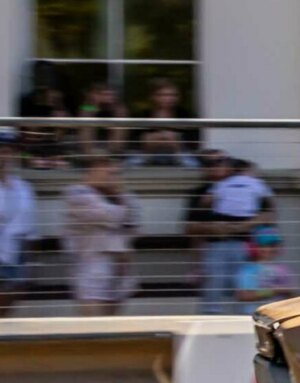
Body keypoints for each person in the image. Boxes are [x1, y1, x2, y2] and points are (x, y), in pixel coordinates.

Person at [188, 151, 276, 313]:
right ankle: (212, 315)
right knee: (214, 284)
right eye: (210, 163)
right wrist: (213, 228)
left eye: (221, 161)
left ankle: (244, 316)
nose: (217, 166)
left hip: (248, 246)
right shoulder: (200, 192)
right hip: (215, 246)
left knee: (245, 283)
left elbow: (269, 215)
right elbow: (190, 227)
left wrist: (244, 225)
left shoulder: (254, 186)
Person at [62, 153, 140, 316]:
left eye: (115, 172)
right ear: (90, 171)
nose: (111, 176)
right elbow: (107, 215)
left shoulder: (124, 196)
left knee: (113, 325)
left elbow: (134, 227)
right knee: (94, 324)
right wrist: (120, 202)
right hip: (91, 270)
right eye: (105, 170)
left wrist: (119, 199)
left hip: (119, 268)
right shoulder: (77, 193)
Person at [0, 133, 38, 319]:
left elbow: (29, 227)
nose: (8, 156)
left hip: (15, 257)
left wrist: (29, 262)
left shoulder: (23, 187)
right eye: (3, 151)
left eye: (11, 152)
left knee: (4, 311)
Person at [234, 226, 296, 306]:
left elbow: (292, 295)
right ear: (254, 247)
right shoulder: (248, 269)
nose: (269, 249)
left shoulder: (282, 269)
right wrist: (273, 291)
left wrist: (289, 293)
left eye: (273, 245)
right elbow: (244, 296)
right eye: (264, 245)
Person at [127, 127, 199, 169]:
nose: (162, 142)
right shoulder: (137, 157)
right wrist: (147, 152)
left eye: (165, 139)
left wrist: (176, 150)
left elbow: (195, 167)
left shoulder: (184, 156)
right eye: (157, 139)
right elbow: (128, 166)